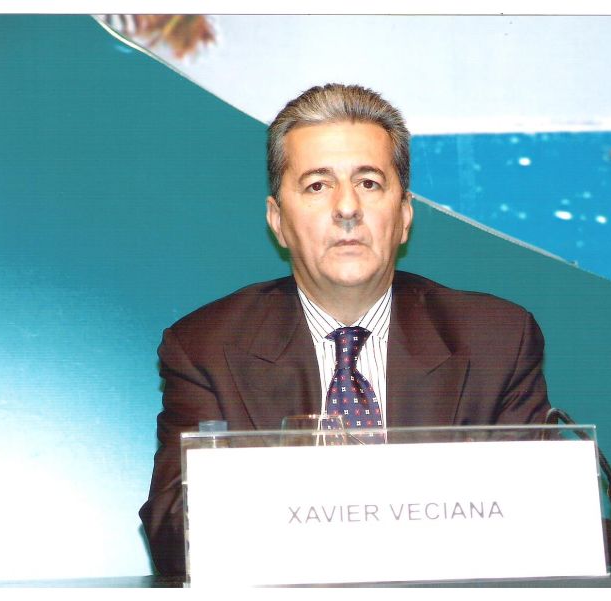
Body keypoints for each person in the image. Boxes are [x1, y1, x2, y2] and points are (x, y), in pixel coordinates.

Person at [139, 83, 550, 576]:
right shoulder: (205, 348)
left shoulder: (497, 341)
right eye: (317, 185)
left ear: (404, 215)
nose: (347, 208)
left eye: (369, 183)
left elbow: (540, 521)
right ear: (278, 221)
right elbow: (176, 536)